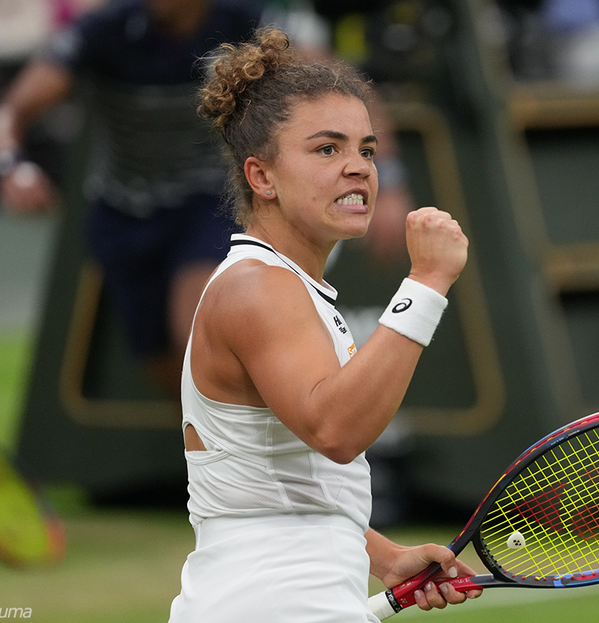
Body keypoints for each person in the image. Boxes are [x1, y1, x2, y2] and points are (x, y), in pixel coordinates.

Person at [167, 27, 480, 621]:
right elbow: (335, 430)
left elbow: (274, 484)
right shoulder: (257, 287)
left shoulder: (281, 285)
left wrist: (383, 556)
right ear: (262, 177)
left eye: (366, 150)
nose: (358, 169)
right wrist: (427, 284)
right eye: (326, 150)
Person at [0, 0, 261, 395]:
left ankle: (256, 450)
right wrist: (11, 167)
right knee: (164, 364)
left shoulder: (245, 20)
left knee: (198, 333)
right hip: (123, 214)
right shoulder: (101, 31)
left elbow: (321, 78)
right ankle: (210, 451)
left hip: (208, 203)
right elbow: (9, 113)